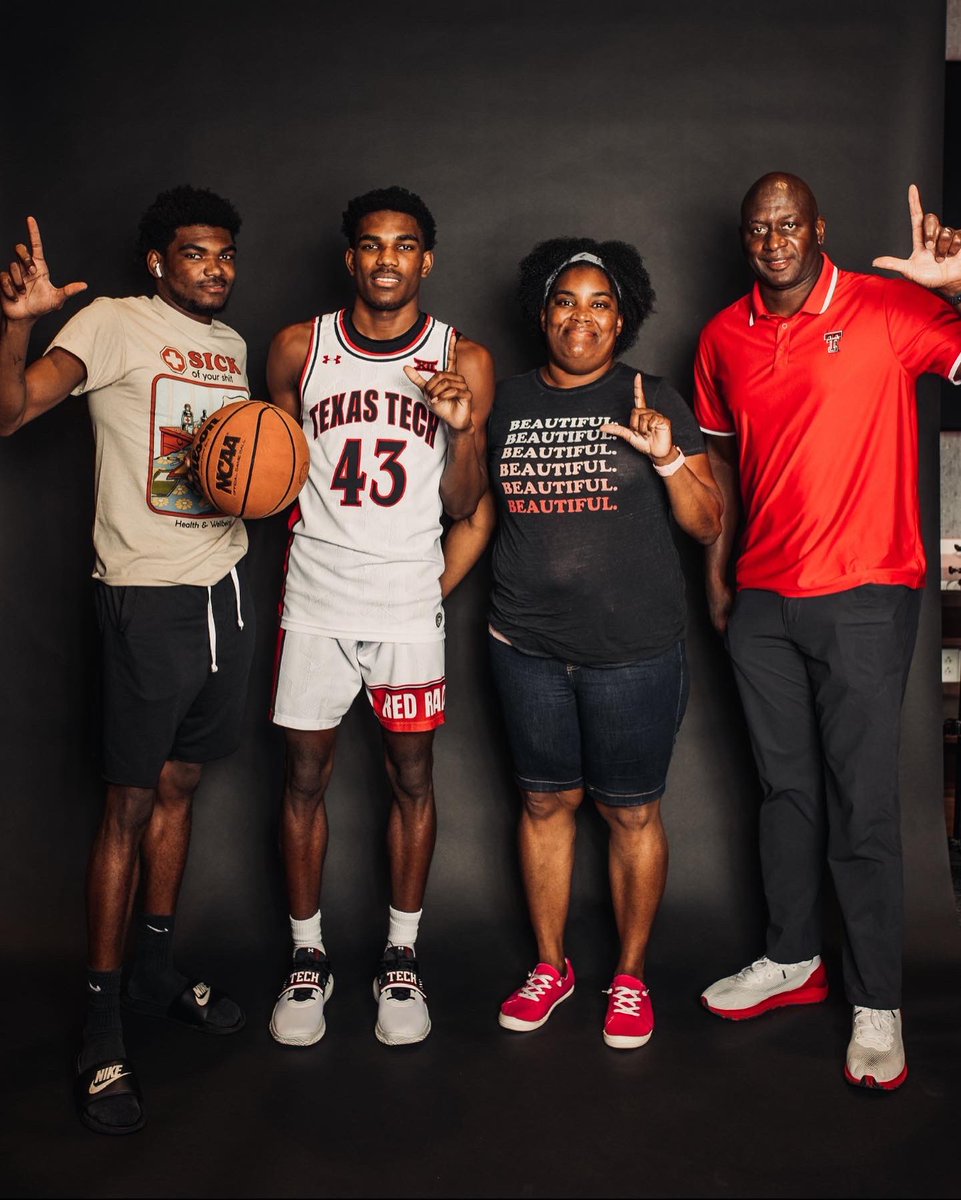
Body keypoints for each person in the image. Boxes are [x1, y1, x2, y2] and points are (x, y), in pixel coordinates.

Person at [695, 173, 961, 1090]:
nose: (772, 239)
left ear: (817, 228)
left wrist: (958, 286)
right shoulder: (721, 335)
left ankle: (877, 1003)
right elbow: (722, 466)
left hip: (863, 591)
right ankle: (792, 958)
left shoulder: (887, 308)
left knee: (860, 801)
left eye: (787, 223)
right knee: (784, 793)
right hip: (761, 599)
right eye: (756, 226)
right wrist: (718, 576)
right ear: (745, 238)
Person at [0, 186, 255, 1134]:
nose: (216, 270)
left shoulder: (229, 349)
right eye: (196, 254)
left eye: (225, 255)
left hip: (225, 591)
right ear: (158, 261)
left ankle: (154, 966)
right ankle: (102, 1023)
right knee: (129, 802)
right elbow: (11, 412)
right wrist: (20, 328)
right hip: (144, 599)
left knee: (184, 785)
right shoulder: (110, 321)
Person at [265, 185, 494, 1048]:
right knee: (302, 779)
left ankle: (401, 957)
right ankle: (306, 957)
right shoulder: (297, 347)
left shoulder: (461, 359)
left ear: (425, 260)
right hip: (316, 598)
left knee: (412, 778)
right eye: (371, 244)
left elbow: (469, 504)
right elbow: (272, 474)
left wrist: (461, 430)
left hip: (405, 605)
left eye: (404, 245)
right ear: (350, 256)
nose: (387, 259)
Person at [488, 237, 721, 1048]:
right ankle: (550, 967)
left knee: (630, 814)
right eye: (564, 301)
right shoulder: (506, 401)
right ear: (541, 311)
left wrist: (665, 461)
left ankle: (628, 978)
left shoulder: (652, 396)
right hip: (525, 647)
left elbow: (705, 521)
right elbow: (468, 508)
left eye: (598, 304)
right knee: (545, 803)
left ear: (622, 318)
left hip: (633, 653)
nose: (579, 318)